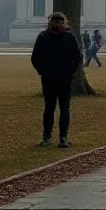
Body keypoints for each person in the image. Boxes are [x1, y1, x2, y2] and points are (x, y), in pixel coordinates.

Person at [30, 12, 83, 148]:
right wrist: (70, 72)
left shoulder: (43, 37)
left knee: (50, 108)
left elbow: (35, 58)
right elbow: (78, 58)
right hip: (63, 78)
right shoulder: (69, 37)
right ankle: (63, 138)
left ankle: (47, 137)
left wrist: (42, 71)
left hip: (49, 78)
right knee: (63, 107)